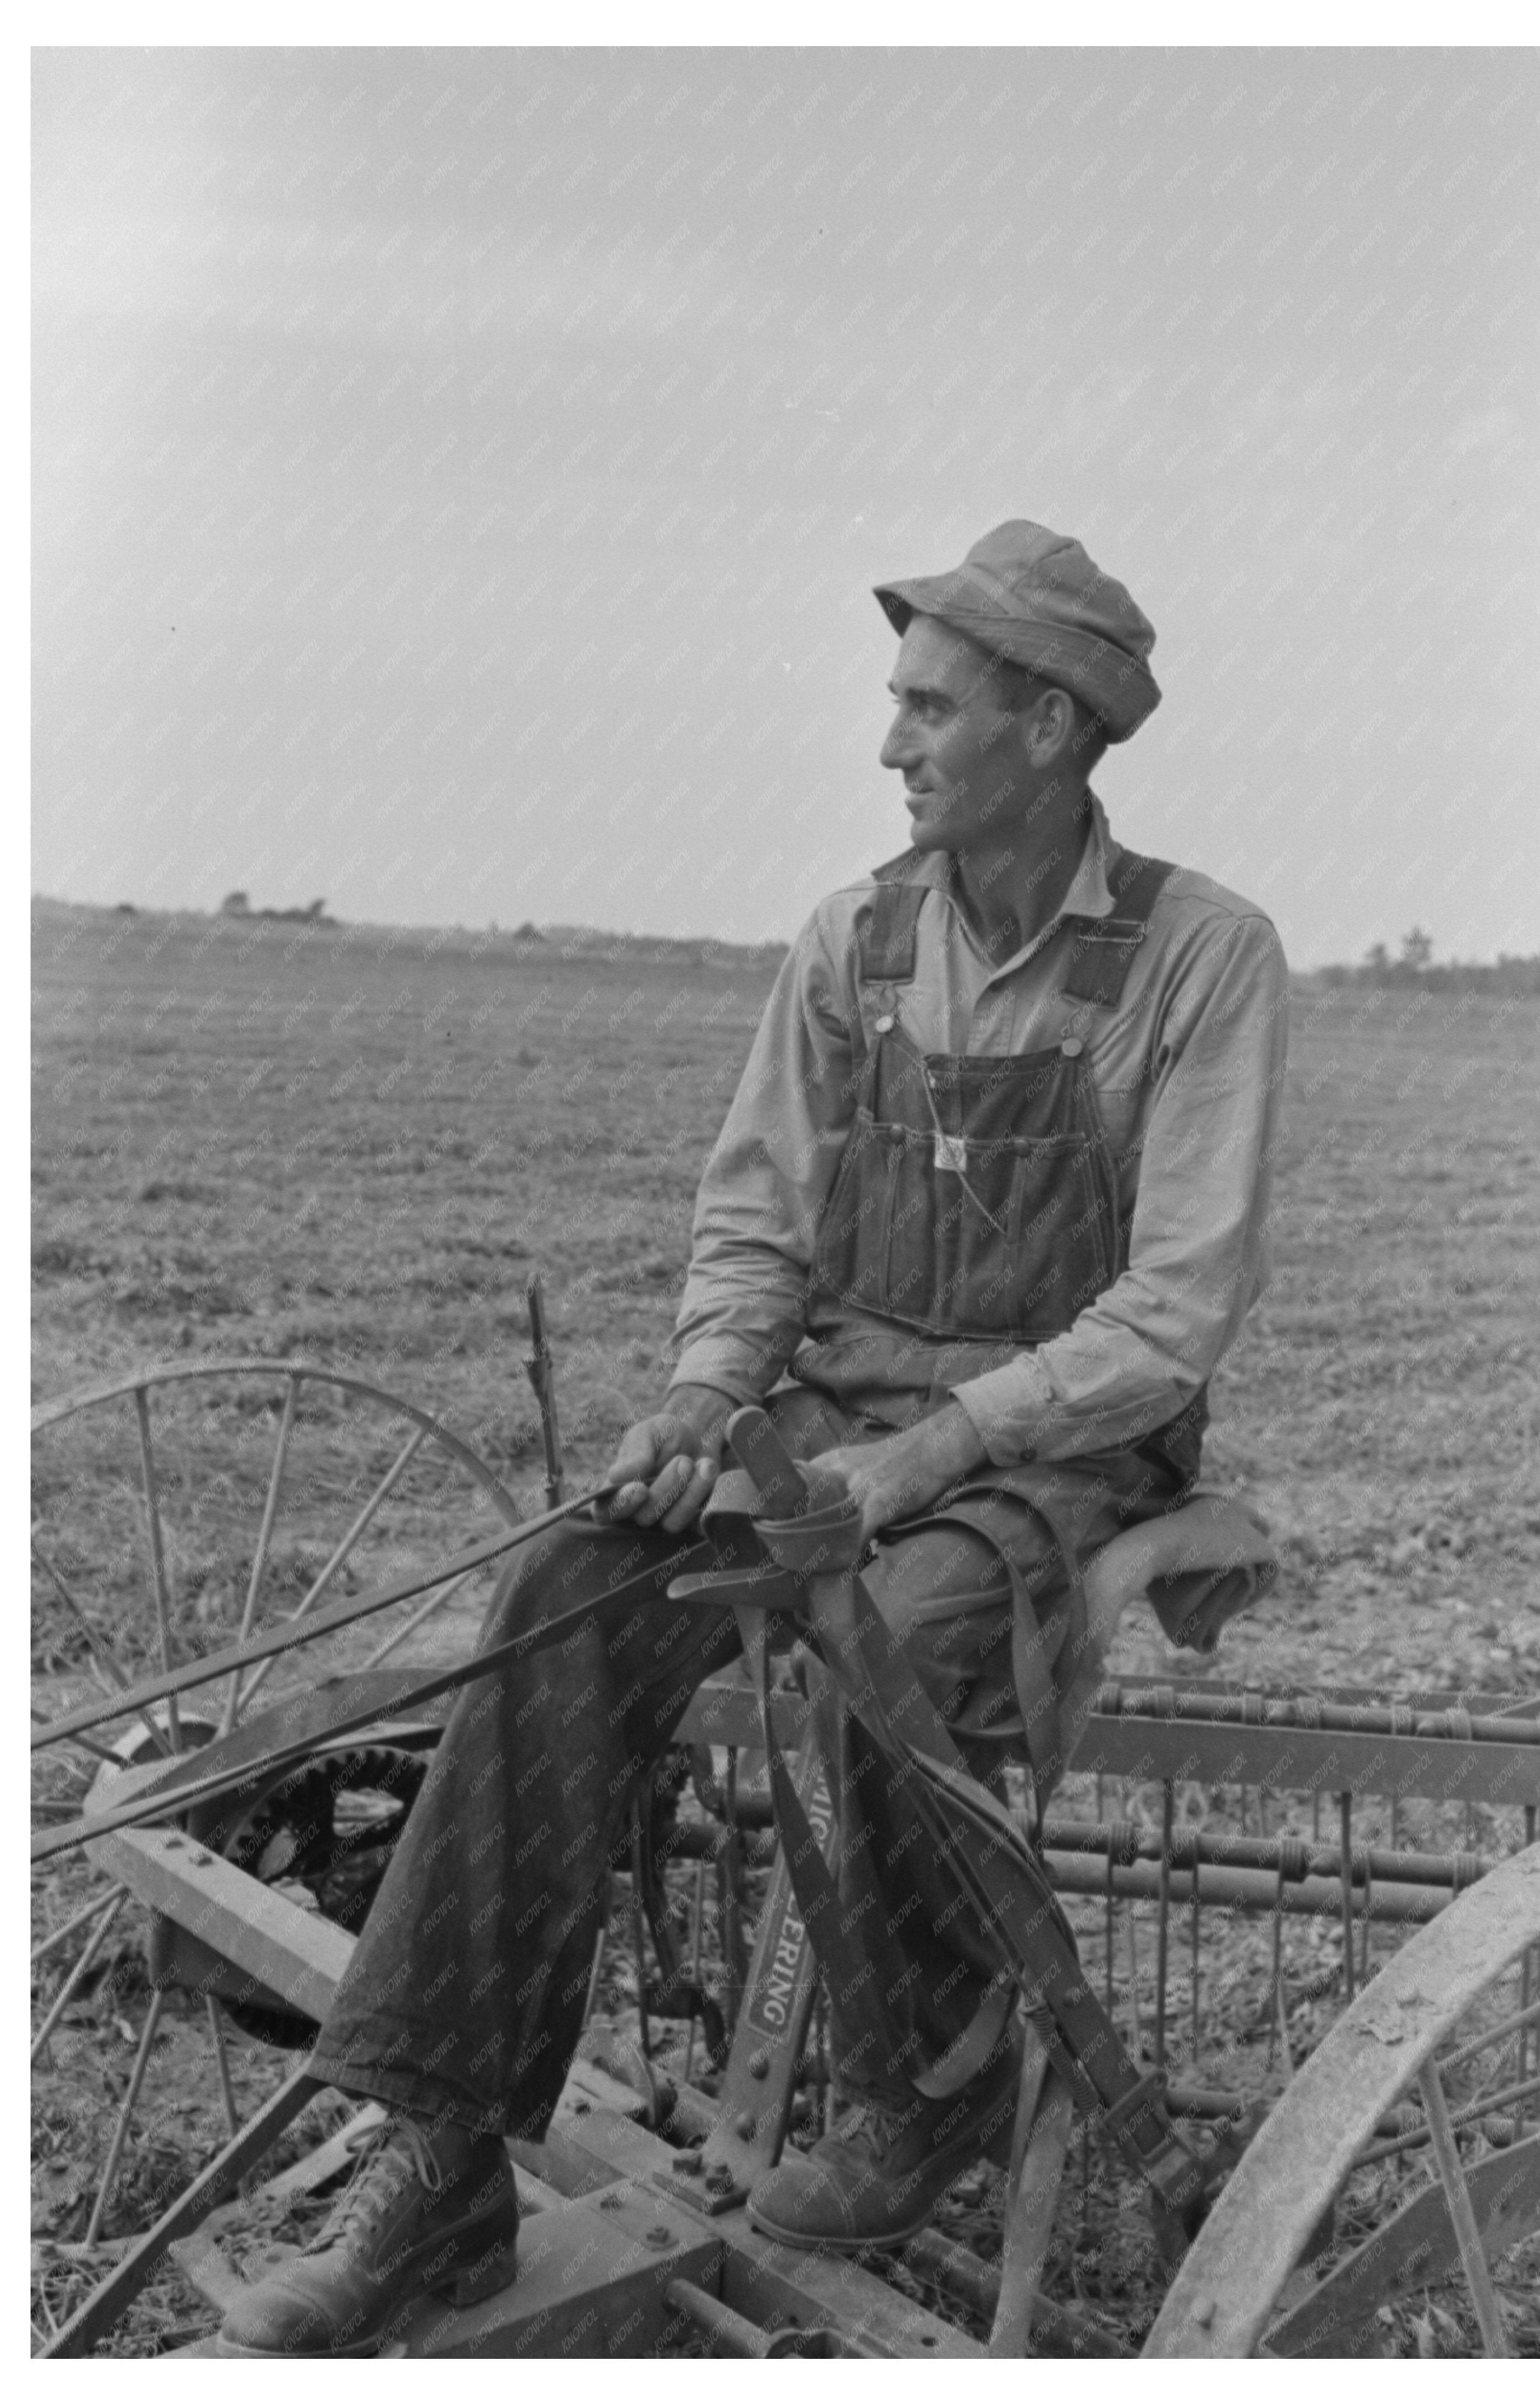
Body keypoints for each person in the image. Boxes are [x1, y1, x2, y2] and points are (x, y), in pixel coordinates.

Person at [218, 519, 1289, 2356]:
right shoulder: (848, 943)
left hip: (1056, 1450)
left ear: (1048, 726)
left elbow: (1171, 1313)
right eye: (895, 705)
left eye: (928, 706)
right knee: (567, 1585)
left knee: (899, 1626)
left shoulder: (1201, 959)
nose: (889, 743)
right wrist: (709, 1394)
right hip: (823, 1420)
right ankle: (447, 2155)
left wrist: (922, 1457)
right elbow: (754, 1233)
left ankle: (924, 2075)